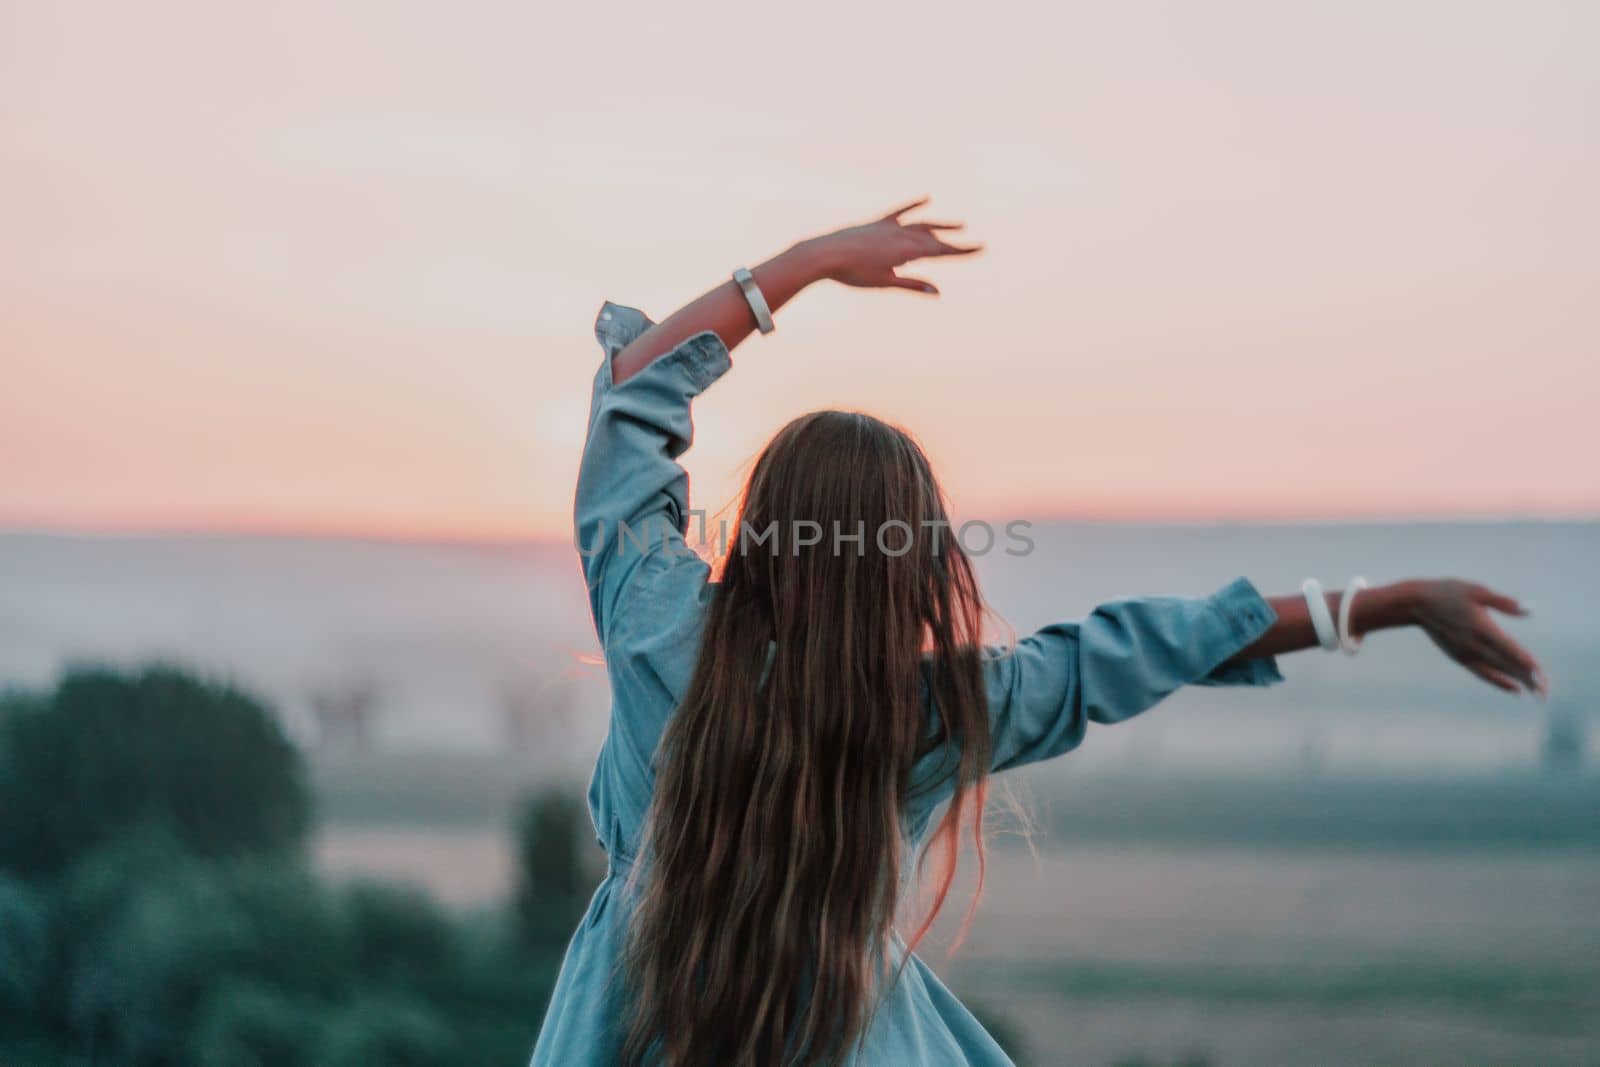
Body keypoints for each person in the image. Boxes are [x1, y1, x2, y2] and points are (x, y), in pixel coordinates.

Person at [529, 199, 1547, 1066]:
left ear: (759, 530)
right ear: (917, 570)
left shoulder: (661, 631)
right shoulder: (934, 710)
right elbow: (1146, 646)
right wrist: (1394, 601)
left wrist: (812, 264)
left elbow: (633, 401)